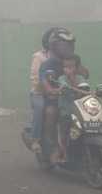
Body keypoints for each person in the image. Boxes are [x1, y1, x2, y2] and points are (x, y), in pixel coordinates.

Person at [38, 28, 76, 164]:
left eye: (70, 45)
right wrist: (52, 90)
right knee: (50, 113)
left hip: (74, 99)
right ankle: (52, 148)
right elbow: (45, 83)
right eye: (64, 45)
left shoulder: (75, 60)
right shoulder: (48, 65)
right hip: (56, 100)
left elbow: (85, 74)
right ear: (54, 46)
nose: (68, 48)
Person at [56, 54, 90, 162]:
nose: (67, 69)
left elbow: (85, 88)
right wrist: (66, 86)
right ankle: (63, 152)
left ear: (76, 68)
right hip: (66, 111)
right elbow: (63, 85)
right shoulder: (62, 78)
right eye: (65, 67)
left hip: (79, 111)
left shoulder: (80, 78)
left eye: (70, 67)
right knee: (65, 132)